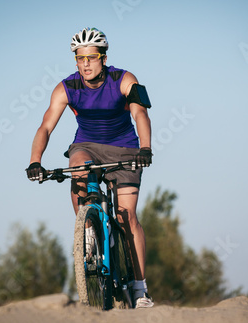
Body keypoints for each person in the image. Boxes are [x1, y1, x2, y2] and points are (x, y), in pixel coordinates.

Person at [26, 27, 154, 308]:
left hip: (125, 148)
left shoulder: (124, 79)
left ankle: (139, 288)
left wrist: (145, 147)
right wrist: (35, 160)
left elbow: (140, 113)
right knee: (78, 166)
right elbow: (46, 125)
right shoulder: (66, 87)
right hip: (87, 146)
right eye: (79, 57)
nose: (85, 63)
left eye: (91, 57)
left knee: (126, 215)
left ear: (103, 58)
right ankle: (89, 230)